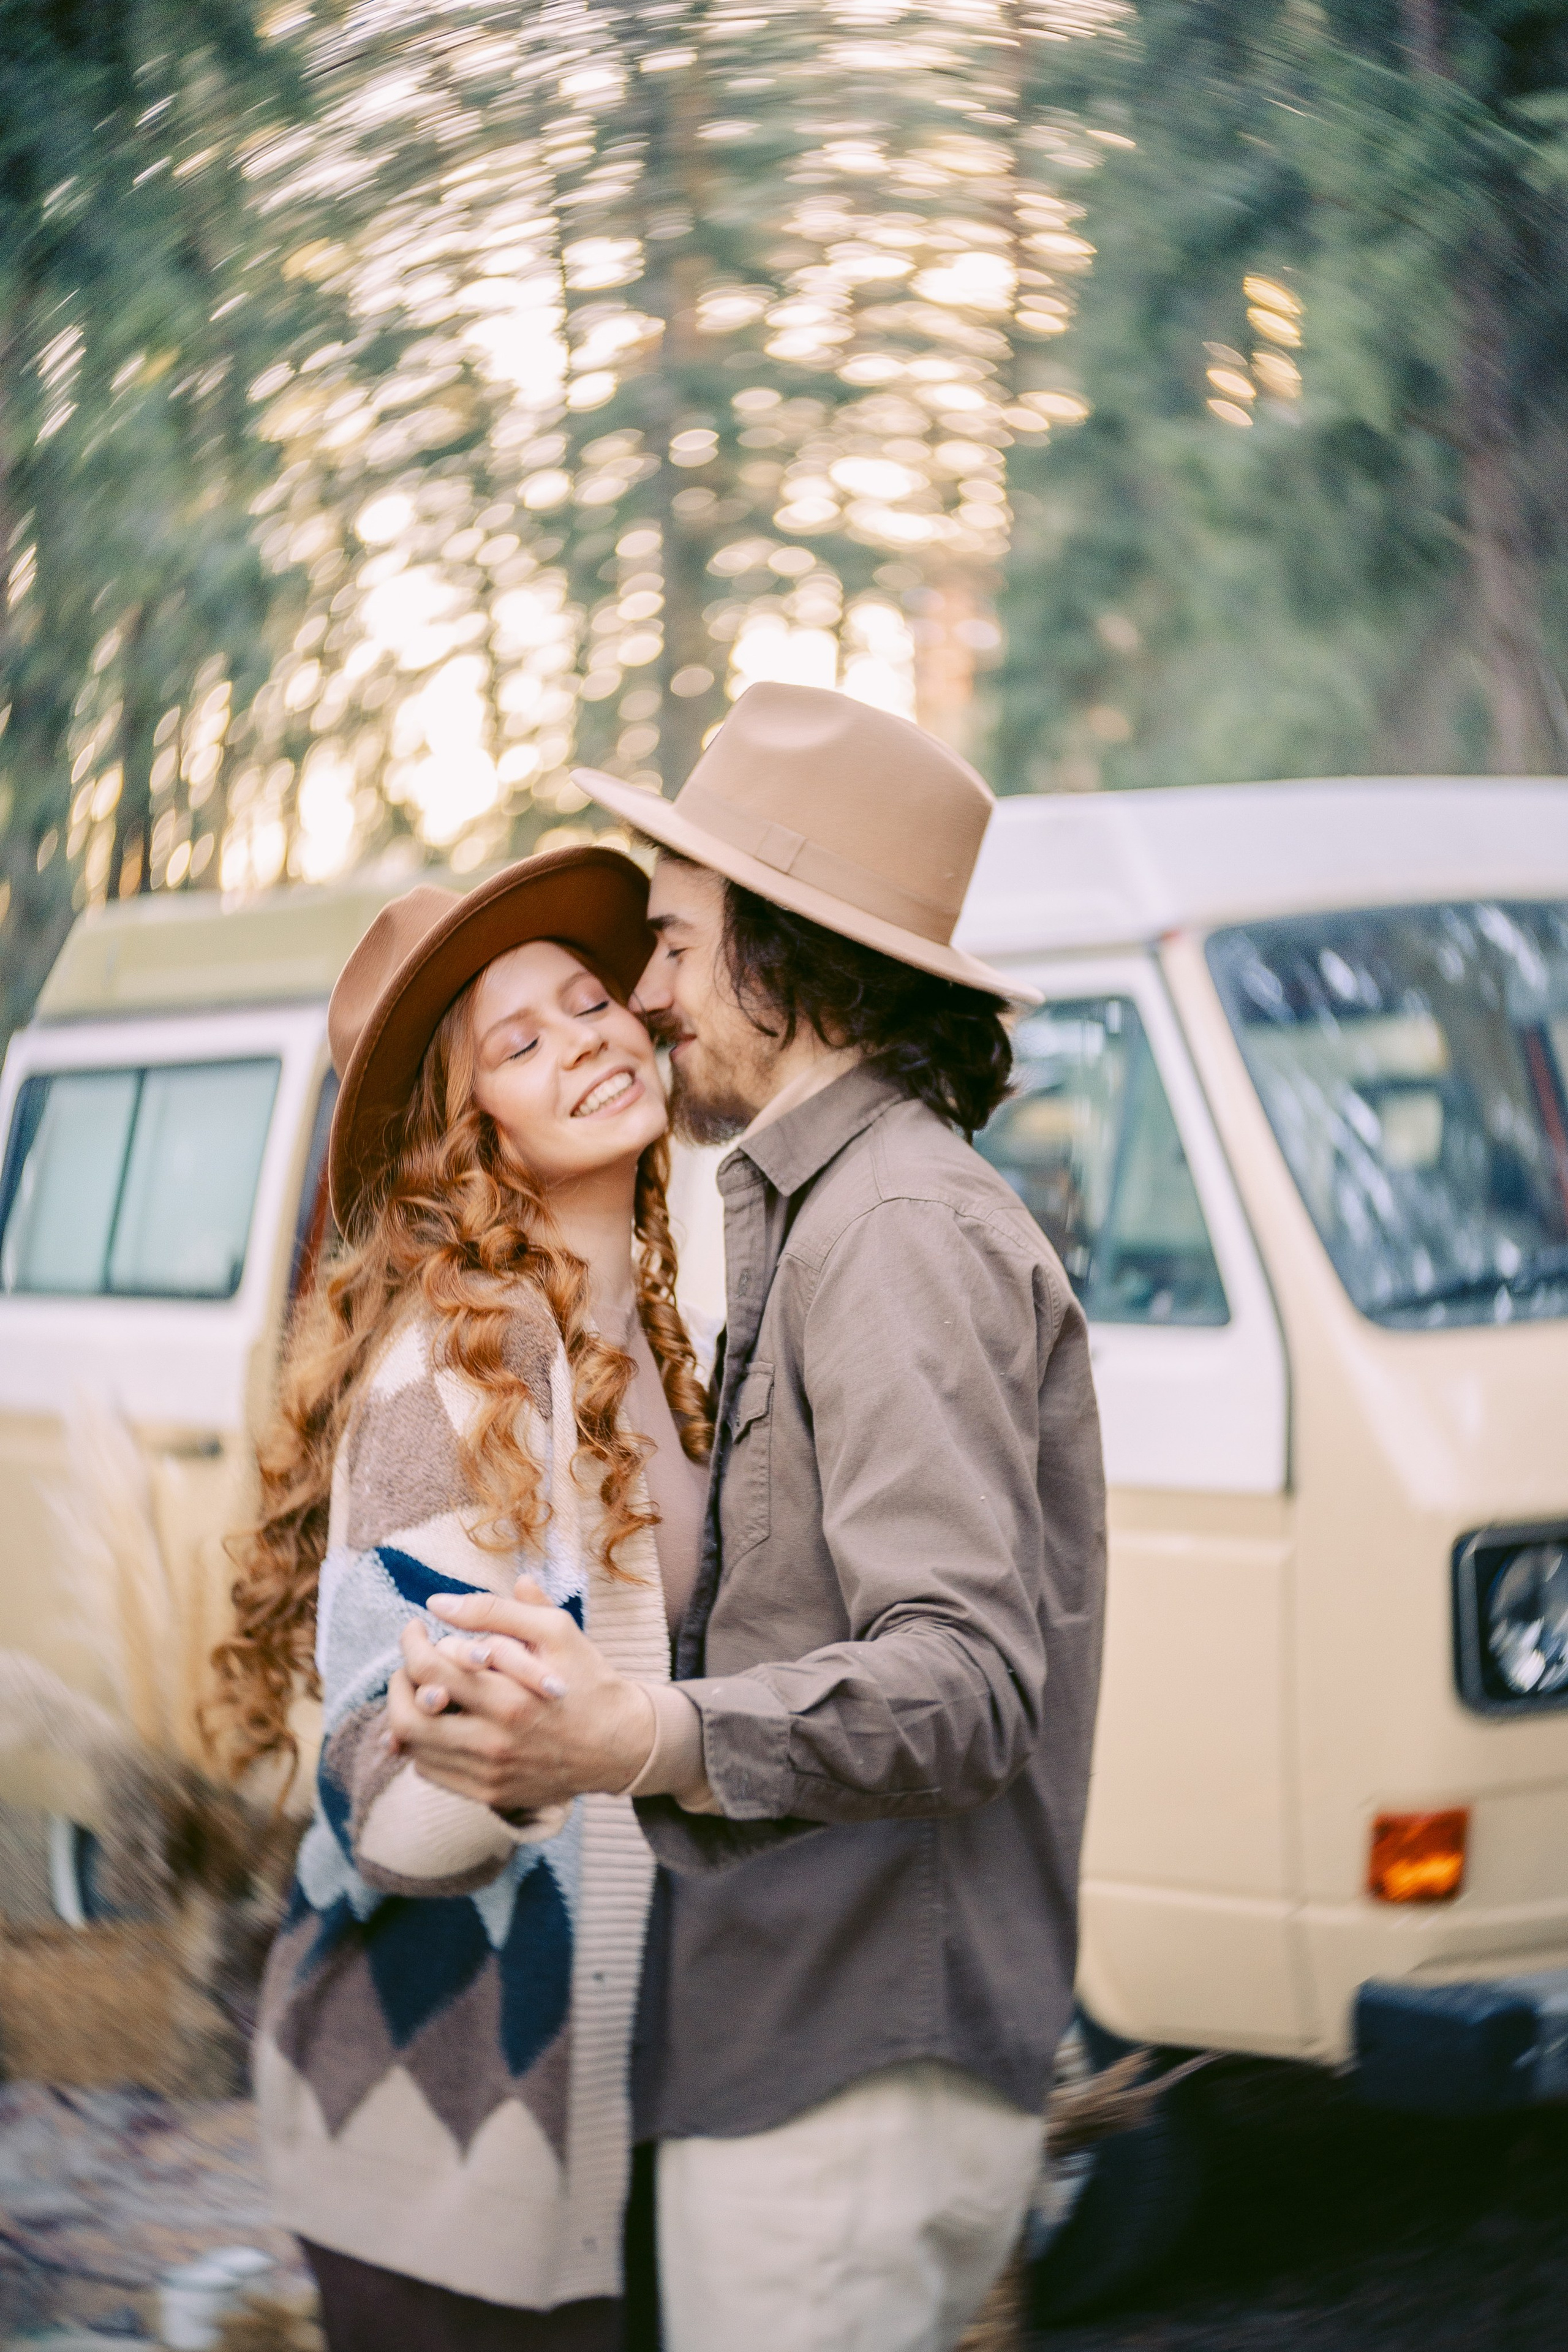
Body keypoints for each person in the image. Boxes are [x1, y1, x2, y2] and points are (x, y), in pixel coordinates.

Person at [390, 683, 1108, 2352]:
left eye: (675, 945)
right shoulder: (827, 1219)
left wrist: (633, 1733)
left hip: (844, 2073)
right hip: (803, 2059)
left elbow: (965, 1682)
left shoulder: (893, 1229)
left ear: (791, 953)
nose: (647, 996)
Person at [211, 843, 712, 2352]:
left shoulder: (662, 1335)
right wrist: (478, 1752)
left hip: (629, 2107)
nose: (586, 1039)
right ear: (466, 1127)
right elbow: (378, 1779)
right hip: (443, 2133)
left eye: (589, 1002)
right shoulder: (461, 1364)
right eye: (519, 1041)